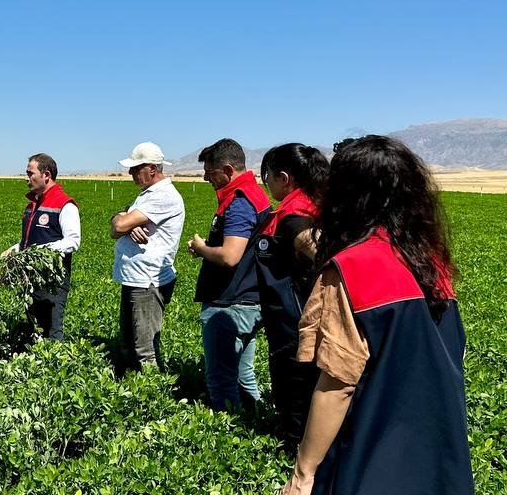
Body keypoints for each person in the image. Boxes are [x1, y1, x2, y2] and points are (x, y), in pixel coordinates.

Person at [280, 135, 472, 495]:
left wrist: (303, 473)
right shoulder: (432, 264)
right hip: (441, 452)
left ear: (344, 195)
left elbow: (337, 386)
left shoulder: (350, 269)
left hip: (374, 455)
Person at [186, 138, 271, 410]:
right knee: (244, 376)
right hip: (248, 299)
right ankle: (256, 424)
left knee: (221, 381)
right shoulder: (254, 194)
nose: (206, 178)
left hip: (231, 303)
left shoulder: (239, 202)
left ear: (227, 170)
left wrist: (202, 248)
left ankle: (228, 433)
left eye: (210, 173)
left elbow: (230, 255)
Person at [253, 143, 328, 444]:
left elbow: (324, 257)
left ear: (284, 178)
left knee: (296, 396)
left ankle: (296, 461)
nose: (266, 182)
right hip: (293, 319)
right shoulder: (311, 207)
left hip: (293, 324)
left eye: (267, 175)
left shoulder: (295, 218)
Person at [109, 142, 184, 372]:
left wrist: (124, 221)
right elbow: (117, 226)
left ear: (152, 169)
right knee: (128, 343)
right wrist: (124, 220)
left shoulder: (163, 196)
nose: (130, 172)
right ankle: (134, 391)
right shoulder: (147, 194)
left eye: (135, 168)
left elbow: (119, 225)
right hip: (136, 278)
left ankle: (151, 396)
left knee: (144, 349)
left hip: (148, 281)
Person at [0, 153, 81, 341]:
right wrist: (14, 250)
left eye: (30, 173)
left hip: (53, 282)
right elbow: (29, 241)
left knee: (52, 330)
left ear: (46, 175)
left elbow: (73, 241)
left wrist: (38, 254)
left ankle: (53, 366)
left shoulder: (65, 205)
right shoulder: (32, 205)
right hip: (31, 279)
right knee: (33, 330)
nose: (26, 178)